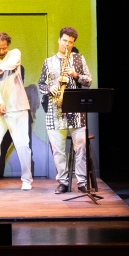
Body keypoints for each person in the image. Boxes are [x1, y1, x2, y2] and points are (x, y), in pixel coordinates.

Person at [38, 27, 92, 194]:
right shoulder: (48, 62)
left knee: (80, 148)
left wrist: (76, 75)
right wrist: (50, 88)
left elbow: (89, 81)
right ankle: (62, 182)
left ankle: (82, 182)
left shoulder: (78, 59)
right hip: (55, 111)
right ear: (59, 40)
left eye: (70, 42)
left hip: (76, 112)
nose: (67, 45)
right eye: (64, 41)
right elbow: (40, 85)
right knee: (58, 150)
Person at [0, 32, 32, 191]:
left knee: (22, 145)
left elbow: (12, 64)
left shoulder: (14, 54)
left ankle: (27, 179)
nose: (1, 51)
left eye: (4, 48)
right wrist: (0, 103)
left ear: (7, 45)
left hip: (18, 108)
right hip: (1, 110)